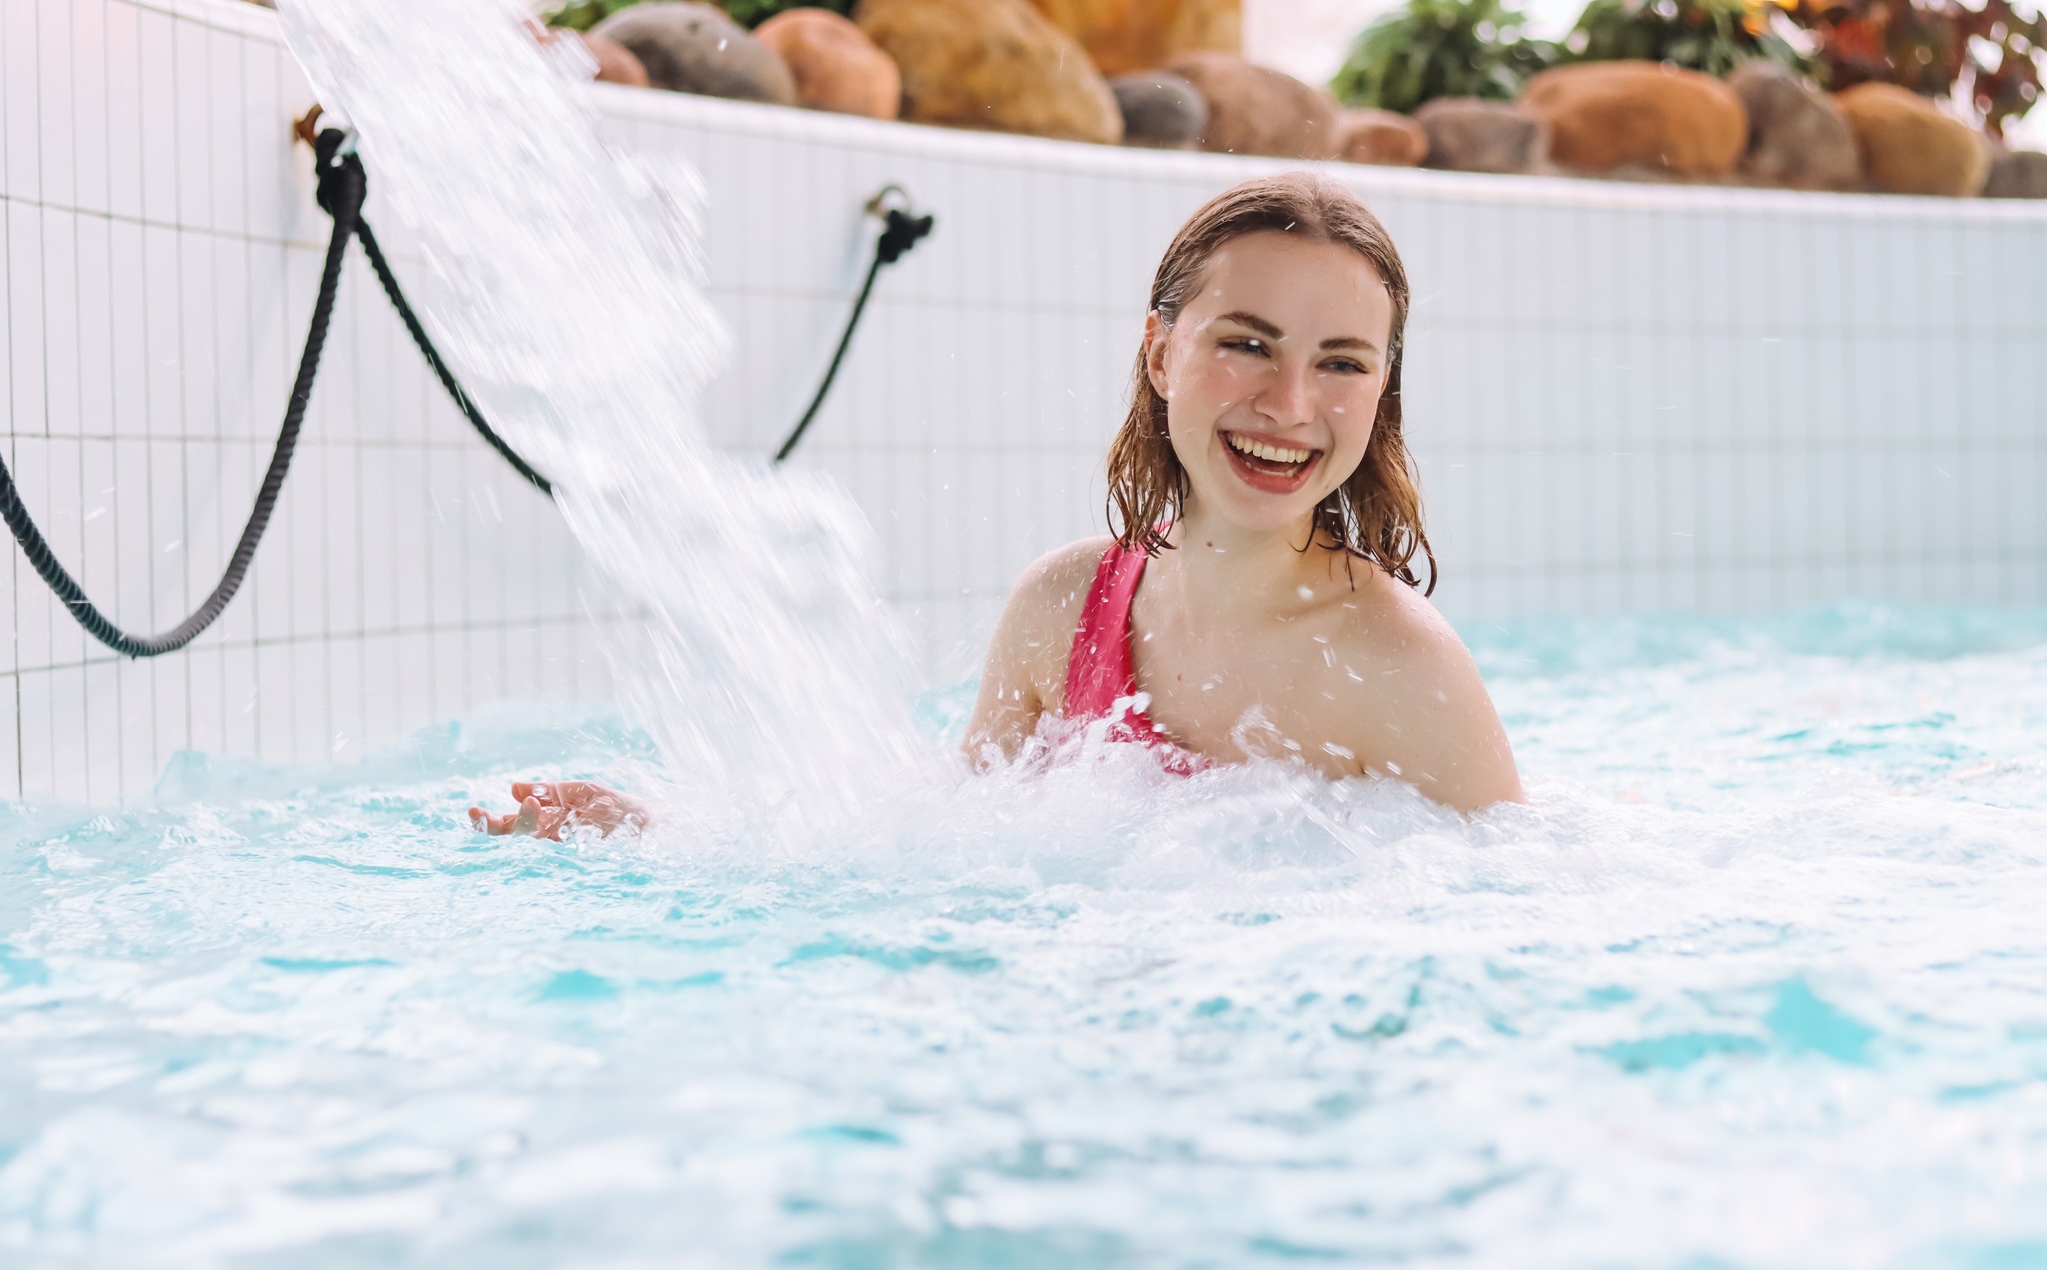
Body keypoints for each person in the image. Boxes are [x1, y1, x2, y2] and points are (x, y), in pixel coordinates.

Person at [471, 172, 1520, 838]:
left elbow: (1503, 926)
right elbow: (938, 856)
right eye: (1244, 343)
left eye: (1339, 362)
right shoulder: (1064, 609)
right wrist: (654, 831)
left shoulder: (1396, 667)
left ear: (1379, 391)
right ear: (1159, 352)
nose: (1288, 406)